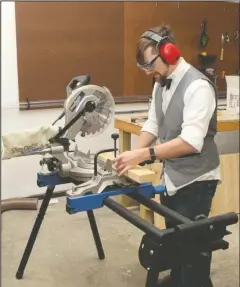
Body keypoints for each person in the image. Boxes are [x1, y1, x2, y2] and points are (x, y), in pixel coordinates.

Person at [113, 25, 221, 287]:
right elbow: (153, 122)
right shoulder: (160, 83)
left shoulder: (198, 87)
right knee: (176, 241)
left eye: (150, 65)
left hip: (197, 180)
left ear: (169, 52)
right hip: (173, 176)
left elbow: (191, 142)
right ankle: (178, 279)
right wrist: (135, 153)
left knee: (194, 251)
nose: (148, 72)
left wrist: (145, 153)